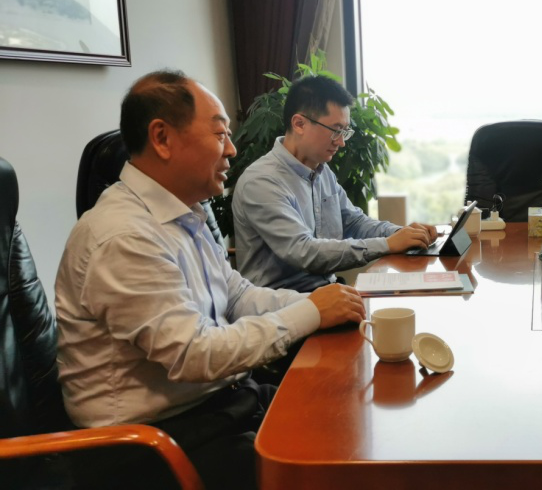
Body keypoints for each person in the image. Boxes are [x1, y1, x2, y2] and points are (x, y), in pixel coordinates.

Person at [55, 70, 367, 490]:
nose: (232, 150)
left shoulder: (186, 213)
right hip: (147, 445)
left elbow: (236, 295)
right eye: (220, 135)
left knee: (346, 412)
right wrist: (310, 312)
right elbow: (194, 354)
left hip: (217, 405)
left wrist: (327, 303)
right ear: (162, 138)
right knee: (331, 467)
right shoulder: (123, 235)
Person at [232, 75, 438, 292]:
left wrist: (403, 234)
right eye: (335, 130)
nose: (341, 142)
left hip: (327, 291)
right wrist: (387, 245)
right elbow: (304, 252)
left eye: (344, 132)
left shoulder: (322, 172)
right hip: (283, 303)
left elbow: (355, 222)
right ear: (299, 124)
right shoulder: (261, 182)